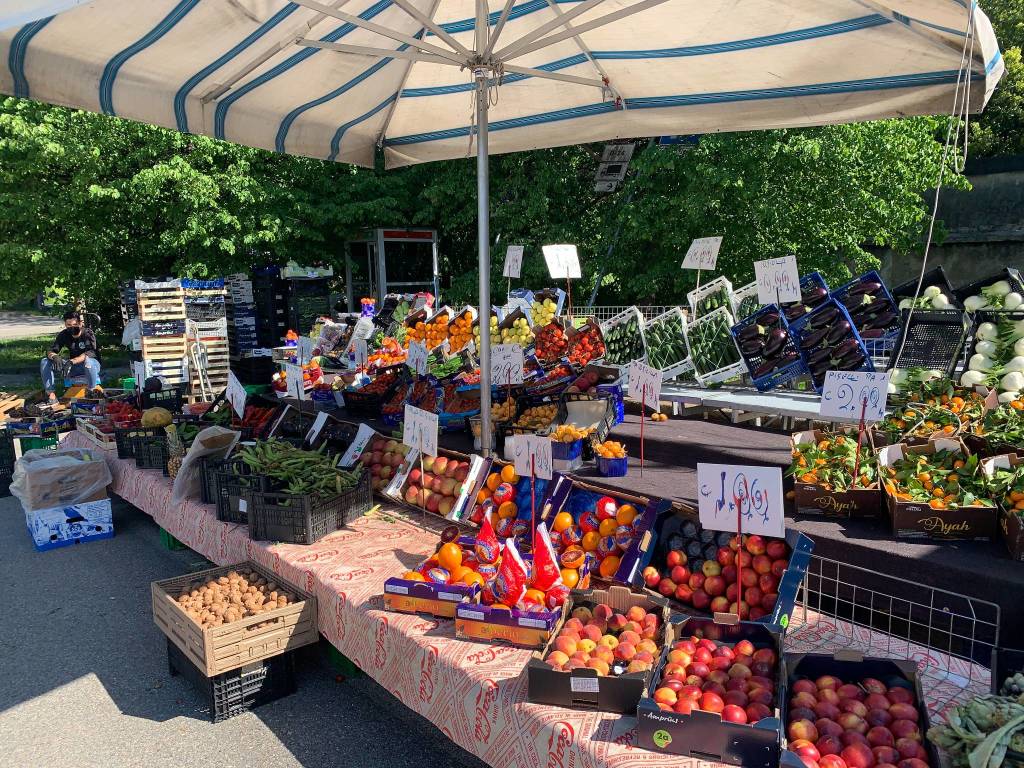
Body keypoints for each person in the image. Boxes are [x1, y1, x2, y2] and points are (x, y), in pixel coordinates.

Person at [41, 311, 101, 401]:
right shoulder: (64, 334)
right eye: (68, 325)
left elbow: (90, 352)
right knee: (45, 361)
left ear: (80, 324)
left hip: (91, 365)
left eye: (75, 324)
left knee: (88, 361)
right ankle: (50, 394)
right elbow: (51, 350)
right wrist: (54, 357)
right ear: (65, 324)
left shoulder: (88, 333)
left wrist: (72, 361)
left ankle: (91, 392)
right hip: (72, 366)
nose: (72, 327)